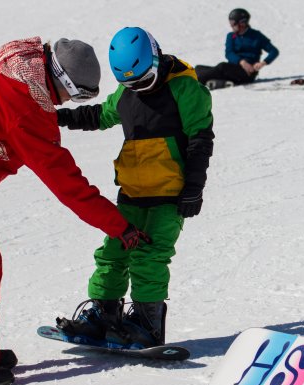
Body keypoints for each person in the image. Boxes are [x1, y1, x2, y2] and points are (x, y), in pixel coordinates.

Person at [0, 37, 150, 385]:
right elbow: (65, 182)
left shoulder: (9, 64)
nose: (69, 103)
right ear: (62, 82)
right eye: (74, 95)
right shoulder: (26, 107)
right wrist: (119, 226)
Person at [55, 27, 214, 348]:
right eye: (131, 84)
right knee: (112, 253)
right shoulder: (127, 94)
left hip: (170, 194)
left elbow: (201, 138)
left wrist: (194, 188)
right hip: (131, 192)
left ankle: (146, 322)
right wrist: (57, 118)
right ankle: (103, 315)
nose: (139, 88)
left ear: (155, 59)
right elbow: (99, 115)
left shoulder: (185, 88)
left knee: (149, 257)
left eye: (144, 79)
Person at [195, 8, 279, 89]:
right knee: (199, 68)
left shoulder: (256, 36)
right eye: (230, 23)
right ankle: (220, 82)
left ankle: (195, 82)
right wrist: (242, 62)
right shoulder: (231, 36)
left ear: (242, 23)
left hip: (248, 73)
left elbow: (274, 51)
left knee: (222, 67)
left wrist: (262, 63)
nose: (231, 26)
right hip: (233, 69)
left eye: (233, 23)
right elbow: (229, 53)